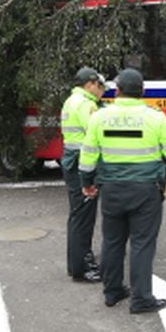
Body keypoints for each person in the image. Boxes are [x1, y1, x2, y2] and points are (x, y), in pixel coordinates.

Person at [79, 68, 166, 314]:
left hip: (112, 189)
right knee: (142, 243)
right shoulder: (155, 117)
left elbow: (88, 156)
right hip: (146, 191)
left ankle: (112, 292)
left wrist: (86, 181)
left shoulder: (99, 118)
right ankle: (141, 298)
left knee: (112, 241)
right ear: (142, 92)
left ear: (119, 90)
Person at [60, 66, 106, 283]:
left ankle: (76, 264)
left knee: (78, 215)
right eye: (100, 85)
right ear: (89, 84)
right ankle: (82, 268)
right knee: (83, 217)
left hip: (71, 160)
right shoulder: (86, 104)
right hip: (81, 162)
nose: (102, 90)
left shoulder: (71, 101)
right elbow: (98, 132)